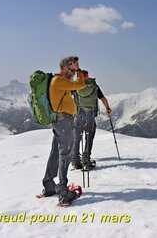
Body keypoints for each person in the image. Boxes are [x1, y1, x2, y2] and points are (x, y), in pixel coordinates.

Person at [40, 56, 86, 205]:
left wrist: (76, 70)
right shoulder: (59, 80)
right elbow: (80, 85)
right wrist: (79, 71)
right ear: (65, 68)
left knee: (56, 152)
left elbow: (74, 86)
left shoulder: (59, 81)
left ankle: (49, 186)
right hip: (63, 121)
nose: (74, 73)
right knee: (65, 153)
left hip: (60, 121)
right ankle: (62, 191)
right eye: (72, 69)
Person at [71, 70, 112, 170]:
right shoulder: (93, 85)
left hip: (78, 115)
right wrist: (108, 108)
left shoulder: (76, 86)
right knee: (89, 137)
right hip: (90, 116)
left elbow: (70, 98)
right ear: (88, 76)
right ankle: (86, 159)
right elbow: (103, 99)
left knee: (76, 138)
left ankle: (76, 161)